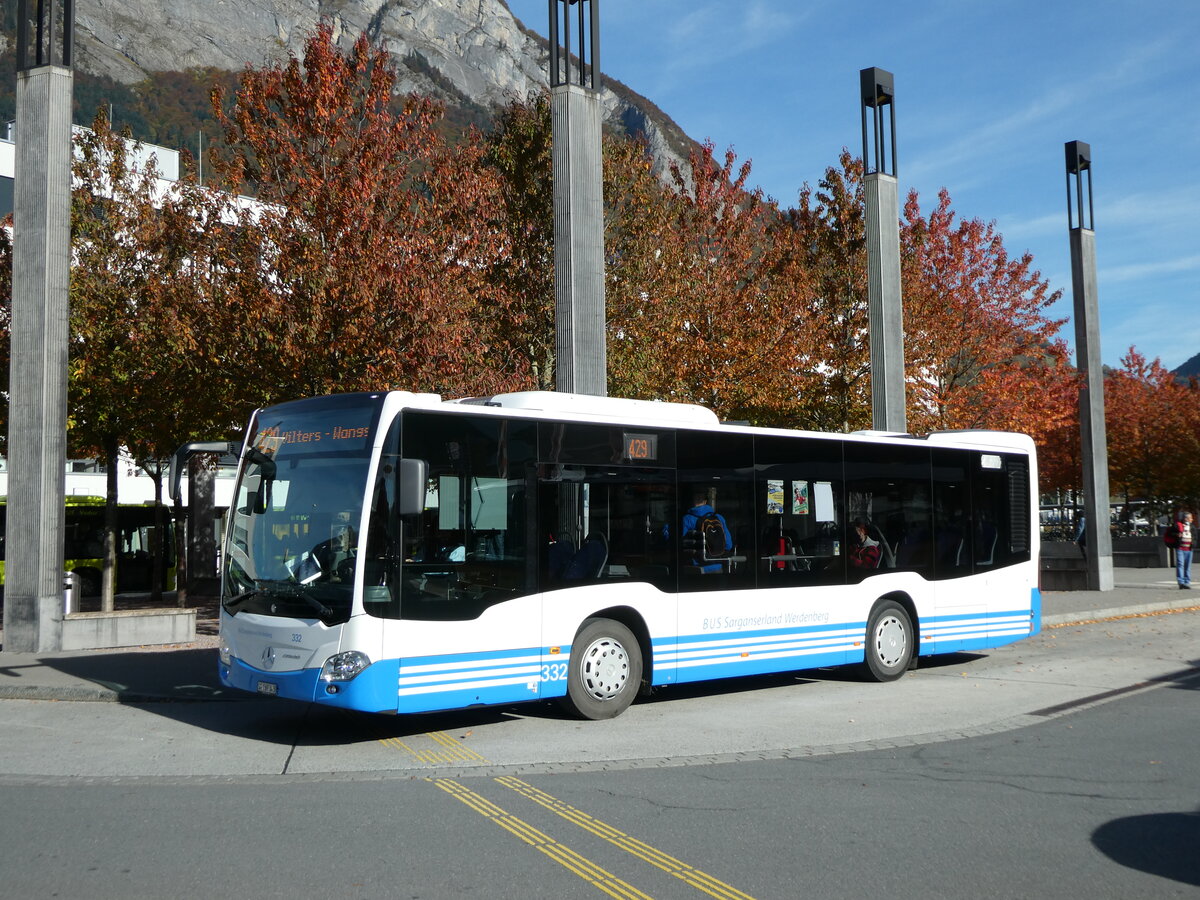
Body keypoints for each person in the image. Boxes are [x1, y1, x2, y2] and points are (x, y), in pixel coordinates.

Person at [676, 492, 733, 574]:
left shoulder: (687, 519)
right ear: (705, 501)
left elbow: (676, 541)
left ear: (692, 501)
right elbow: (728, 545)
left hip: (696, 569)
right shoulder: (719, 517)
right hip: (717, 567)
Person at [1167, 511, 1195, 590]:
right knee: (1180, 564)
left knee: (1187, 566)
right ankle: (1181, 582)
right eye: (1190, 518)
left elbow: (1195, 536)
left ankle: (1187, 582)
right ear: (1186, 518)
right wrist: (1176, 534)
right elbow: (1169, 533)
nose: (1192, 519)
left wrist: (1194, 543)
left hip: (1189, 549)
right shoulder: (1177, 525)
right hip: (1180, 548)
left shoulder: (1192, 526)